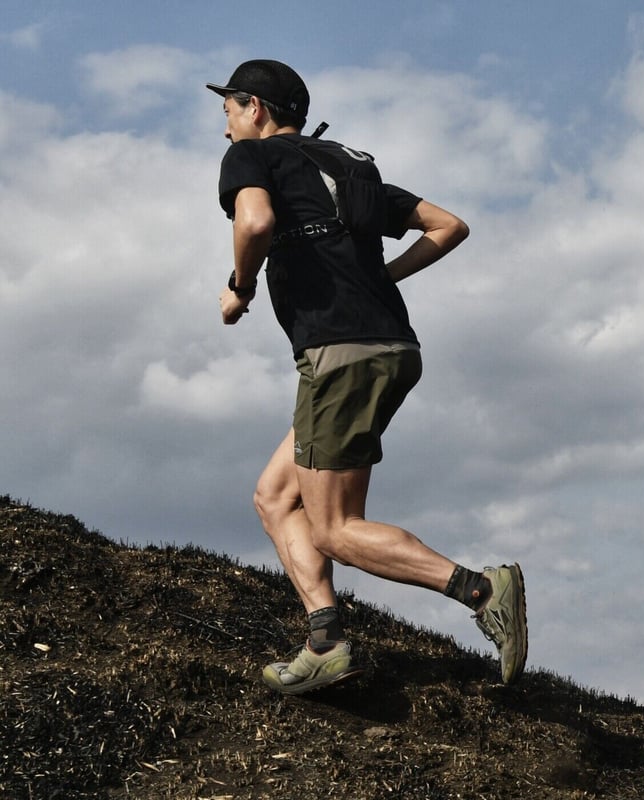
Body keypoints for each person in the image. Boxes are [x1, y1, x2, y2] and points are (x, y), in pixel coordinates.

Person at [207, 59, 527, 694]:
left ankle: (482, 590)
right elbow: (449, 226)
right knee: (276, 496)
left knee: (334, 528)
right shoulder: (349, 164)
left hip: (339, 352)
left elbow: (255, 222)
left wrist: (240, 287)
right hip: (389, 346)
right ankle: (325, 641)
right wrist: (384, 276)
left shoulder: (252, 157)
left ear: (255, 109)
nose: (225, 129)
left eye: (229, 112)